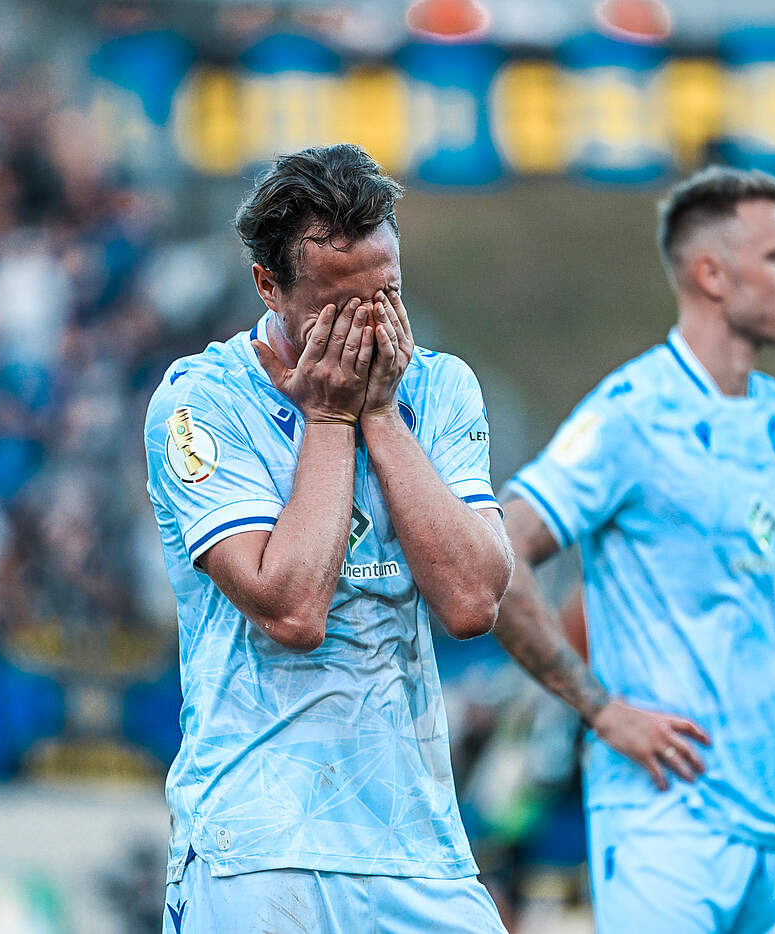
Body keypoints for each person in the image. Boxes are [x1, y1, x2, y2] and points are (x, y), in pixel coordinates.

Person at [143, 143, 513, 933]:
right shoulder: (200, 403)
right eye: (339, 308)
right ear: (268, 286)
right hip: (258, 842)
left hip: (416, 844)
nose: (369, 327)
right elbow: (292, 610)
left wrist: (379, 415)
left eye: (387, 296)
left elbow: (474, 601)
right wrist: (331, 416)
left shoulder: (439, 387)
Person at [492, 165, 775, 932]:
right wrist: (600, 710)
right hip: (665, 822)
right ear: (712, 274)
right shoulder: (631, 414)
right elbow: (499, 550)